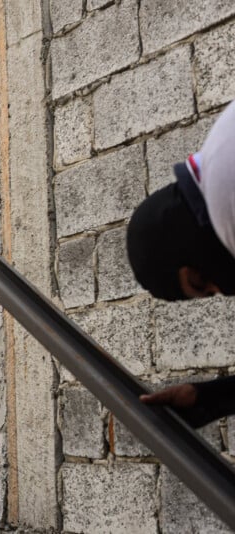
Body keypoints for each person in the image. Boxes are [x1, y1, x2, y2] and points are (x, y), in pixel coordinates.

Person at [127, 101, 235, 428]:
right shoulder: (219, 148)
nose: (222, 288)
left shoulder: (227, 205)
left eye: (201, 283)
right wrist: (210, 397)